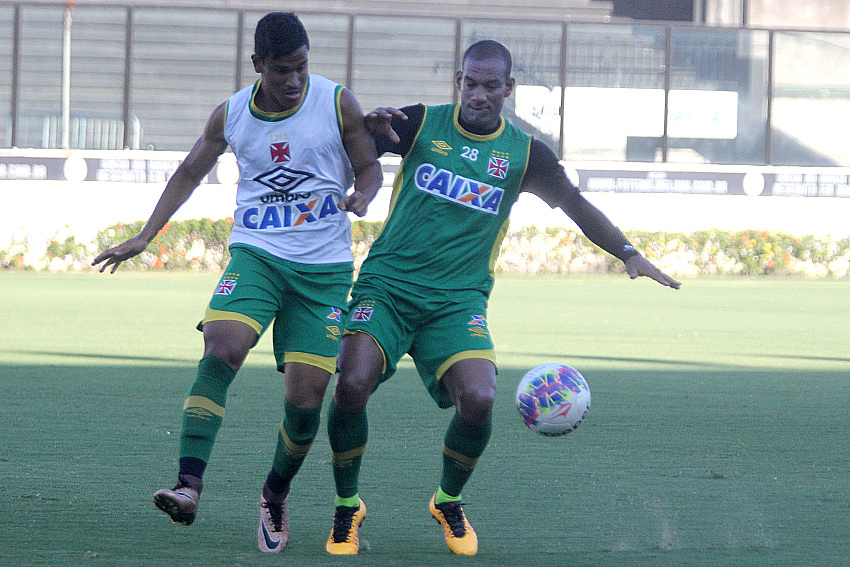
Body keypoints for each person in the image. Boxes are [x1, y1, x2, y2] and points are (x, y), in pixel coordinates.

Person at [323, 39, 681, 557]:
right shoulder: (419, 122)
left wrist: (627, 252)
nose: (479, 94)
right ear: (459, 81)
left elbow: (575, 204)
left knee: (480, 399)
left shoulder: (526, 155)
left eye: (491, 85)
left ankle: (447, 500)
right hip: (388, 288)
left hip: (457, 302)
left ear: (508, 88)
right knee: (351, 383)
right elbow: (351, 150)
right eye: (471, 83)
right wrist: (365, 129)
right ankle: (347, 506)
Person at [91, 12, 383, 554]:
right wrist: (146, 235)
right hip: (258, 255)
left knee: (305, 402)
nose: (293, 79)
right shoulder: (231, 115)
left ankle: (274, 493)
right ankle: (188, 485)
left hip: (323, 273)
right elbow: (189, 171)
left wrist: (363, 194)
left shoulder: (337, 101)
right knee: (221, 346)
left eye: (300, 67)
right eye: (281, 69)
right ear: (257, 65)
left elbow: (369, 166)